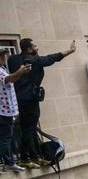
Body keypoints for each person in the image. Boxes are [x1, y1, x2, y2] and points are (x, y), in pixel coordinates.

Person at [7, 38, 76, 169]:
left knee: (30, 128)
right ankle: (24, 157)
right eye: (35, 46)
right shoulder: (35, 60)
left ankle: (35, 156)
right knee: (29, 129)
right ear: (29, 49)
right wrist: (70, 50)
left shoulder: (12, 59)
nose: (37, 48)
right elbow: (53, 57)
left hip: (17, 99)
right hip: (29, 99)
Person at [0, 50, 30, 173]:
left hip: (7, 110)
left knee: (7, 138)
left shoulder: (2, 68)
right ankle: (7, 162)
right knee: (5, 138)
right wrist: (20, 71)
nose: (3, 57)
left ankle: (9, 162)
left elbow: (11, 79)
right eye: (1, 55)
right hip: (3, 111)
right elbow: (9, 79)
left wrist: (20, 73)